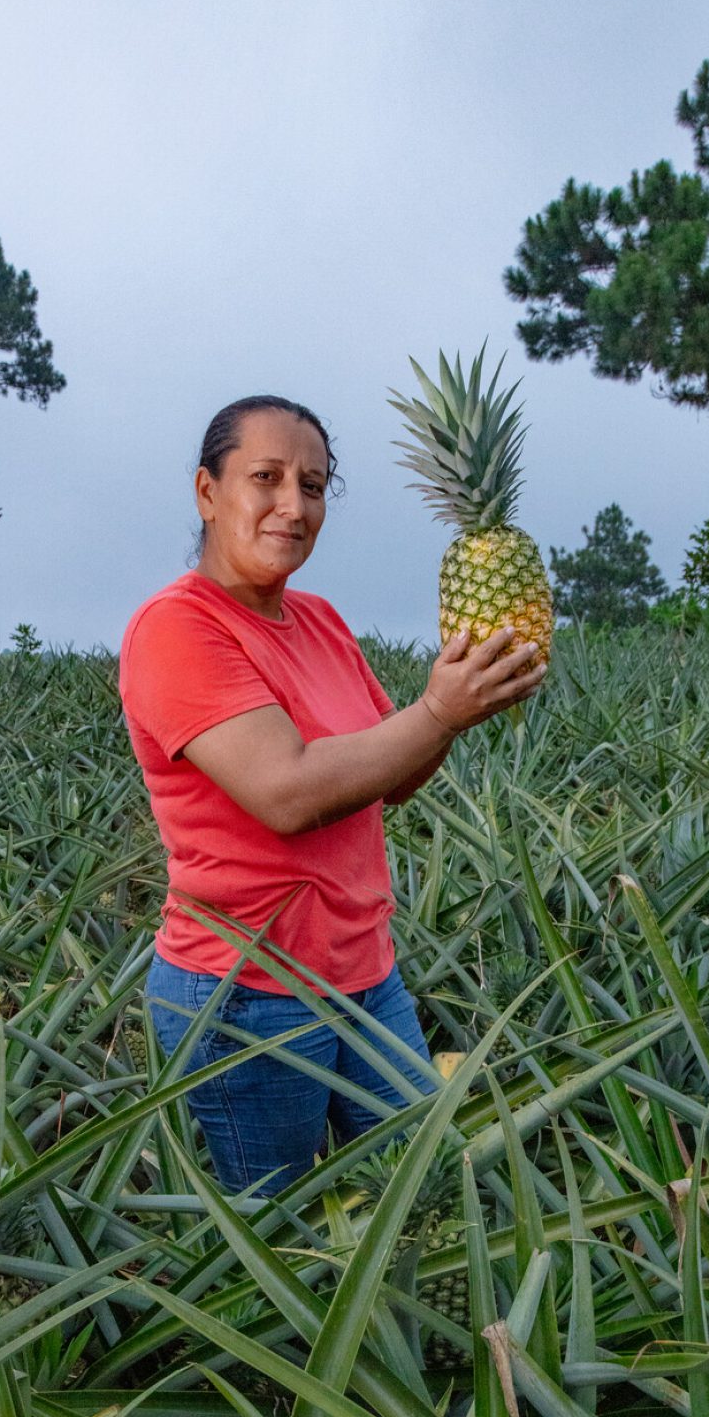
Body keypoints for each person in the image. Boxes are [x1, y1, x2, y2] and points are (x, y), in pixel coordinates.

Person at [118, 392, 546, 1196]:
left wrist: (458, 711)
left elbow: (390, 778)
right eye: (266, 478)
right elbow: (285, 792)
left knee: (425, 1194)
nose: (292, 506)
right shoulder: (176, 629)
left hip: (365, 971)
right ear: (207, 492)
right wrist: (437, 711)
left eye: (312, 486)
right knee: (280, 1230)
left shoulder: (320, 621)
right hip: (246, 994)